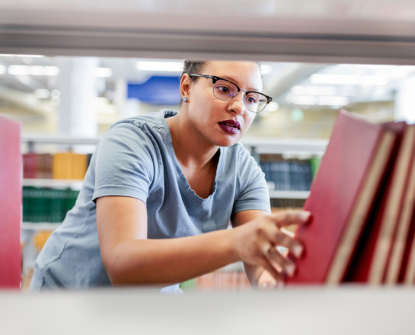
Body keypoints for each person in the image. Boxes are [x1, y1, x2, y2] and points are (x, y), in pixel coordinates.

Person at [30, 60, 311, 292]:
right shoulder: (132, 142)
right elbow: (122, 265)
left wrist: (271, 282)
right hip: (71, 295)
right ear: (186, 86)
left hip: (150, 303)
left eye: (251, 98)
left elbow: (262, 256)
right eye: (225, 89)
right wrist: (237, 243)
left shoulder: (244, 171)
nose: (239, 107)